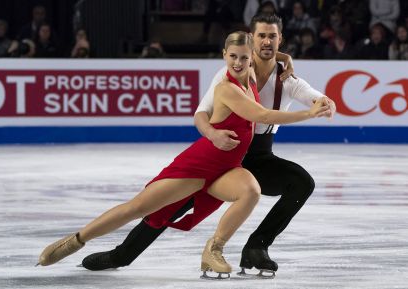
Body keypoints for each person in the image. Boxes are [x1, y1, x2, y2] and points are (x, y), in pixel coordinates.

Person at [37, 31, 330, 278]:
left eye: (244, 57)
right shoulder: (227, 87)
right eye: (233, 57)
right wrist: (308, 112)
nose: (239, 62)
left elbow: (267, 55)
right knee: (139, 208)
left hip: (228, 168)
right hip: (200, 165)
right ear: (224, 56)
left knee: (250, 190)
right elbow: (263, 114)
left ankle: (212, 251)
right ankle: (75, 241)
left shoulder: (252, 72)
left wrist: (283, 57)